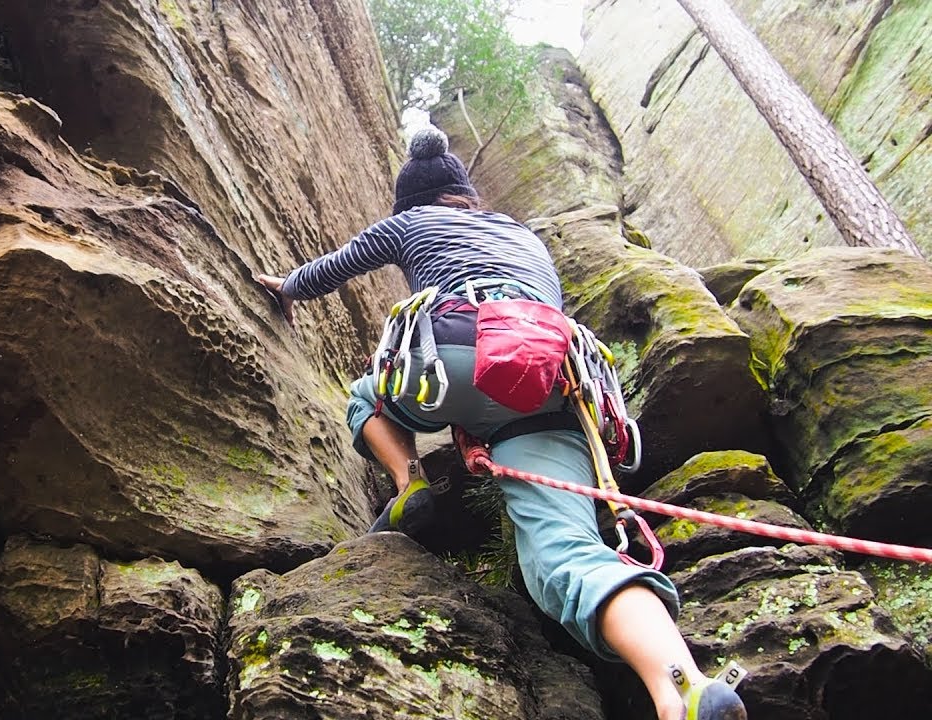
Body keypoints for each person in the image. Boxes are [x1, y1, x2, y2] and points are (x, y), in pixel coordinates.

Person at [257, 128, 747, 720]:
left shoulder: (410, 222)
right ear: (466, 196)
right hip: (550, 380)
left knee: (366, 395)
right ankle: (685, 687)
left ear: (412, 201)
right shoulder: (523, 236)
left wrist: (287, 287)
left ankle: (409, 480)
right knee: (567, 554)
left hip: (453, 357)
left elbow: (341, 264)